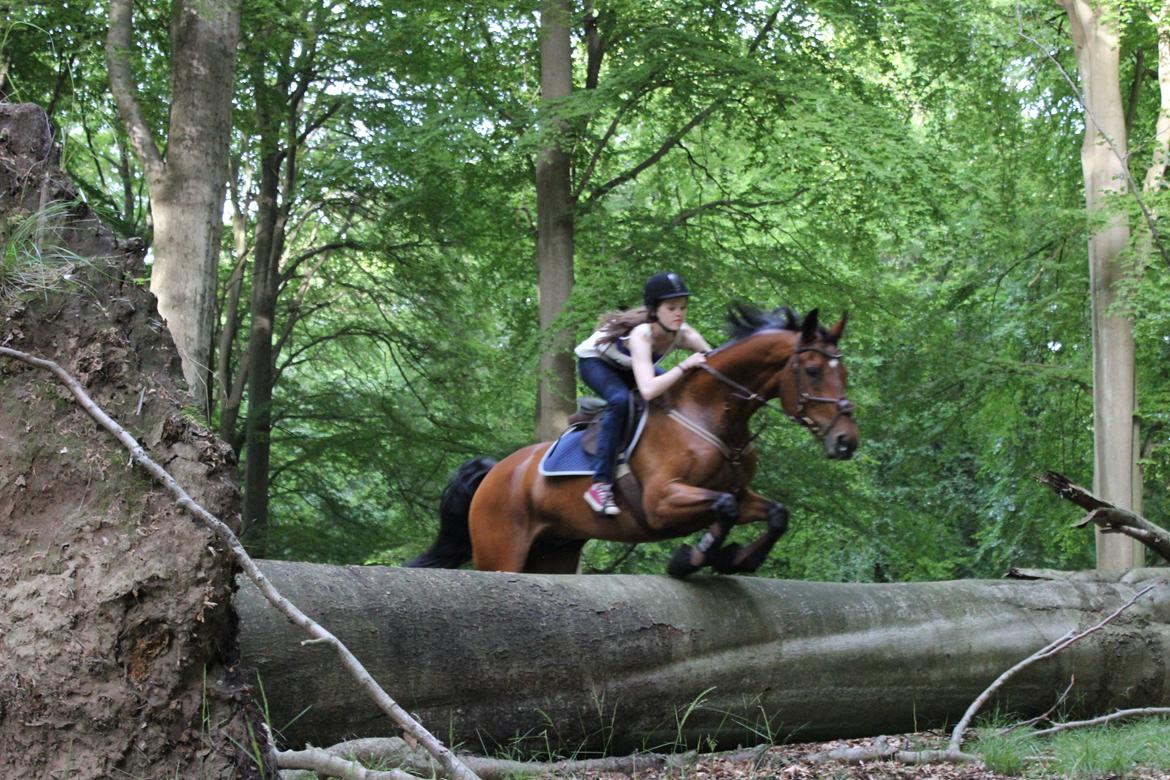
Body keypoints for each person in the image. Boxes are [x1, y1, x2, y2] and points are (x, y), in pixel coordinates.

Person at [574, 271, 713, 516]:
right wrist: (683, 366)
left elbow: (716, 361)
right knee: (620, 400)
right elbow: (648, 390)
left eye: (682, 307)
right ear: (654, 311)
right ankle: (600, 484)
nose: (679, 313)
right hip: (596, 362)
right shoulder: (642, 334)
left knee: (673, 393)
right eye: (671, 308)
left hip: (632, 366)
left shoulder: (686, 334)